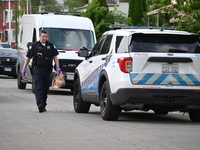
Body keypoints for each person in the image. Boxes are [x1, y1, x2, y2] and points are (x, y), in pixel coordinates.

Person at [21, 30, 61, 113]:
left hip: (47, 70)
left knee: (45, 89)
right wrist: (24, 68)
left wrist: (58, 67)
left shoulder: (50, 45)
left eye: (46, 36)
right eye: (43, 36)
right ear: (39, 36)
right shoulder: (35, 46)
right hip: (37, 70)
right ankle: (40, 104)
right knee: (38, 87)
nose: (44, 38)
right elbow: (28, 57)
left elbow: (55, 56)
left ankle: (43, 104)